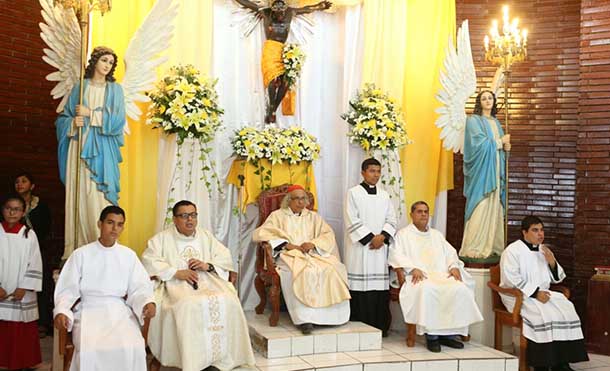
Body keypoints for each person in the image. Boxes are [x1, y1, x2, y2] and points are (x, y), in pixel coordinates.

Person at [142, 200, 255, 371]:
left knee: (229, 300)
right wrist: (176, 272)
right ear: (175, 219)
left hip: (208, 281)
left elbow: (224, 257)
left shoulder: (205, 236)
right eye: (184, 216)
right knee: (188, 305)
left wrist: (207, 265)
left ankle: (219, 359)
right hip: (175, 286)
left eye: (193, 215)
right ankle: (194, 362)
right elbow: (149, 261)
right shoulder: (161, 240)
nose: (190, 220)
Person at [53, 206, 156, 371]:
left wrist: (146, 302)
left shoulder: (128, 255)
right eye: (110, 222)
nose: (115, 228)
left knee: (132, 346)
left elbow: (140, 288)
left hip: (120, 311)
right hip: (89, 310)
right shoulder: (81, 254)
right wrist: (62, 310)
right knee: (90, 349)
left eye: (120, 224)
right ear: (100, 224)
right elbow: (67, 290)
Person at [56, 46, 126, 259]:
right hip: (79, 148)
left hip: (103, 152)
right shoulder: (81, 86)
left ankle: (104, 248)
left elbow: (117, 122)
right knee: (80, 198)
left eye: (110, 63)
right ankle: (77, 250)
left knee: (99, 198)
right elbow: (62, 119)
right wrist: (71, 124)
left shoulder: (115, 90)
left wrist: (90, 114)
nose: (107, 66)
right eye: (104, 60)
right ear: (94, 62)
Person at [253, 184, 351, 334]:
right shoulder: (277, 216)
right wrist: (286, 245)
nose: (301, 202)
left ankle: (333, 317)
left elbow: (327, 235)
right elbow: (262, 233)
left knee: (333, 268)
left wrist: (313, 243)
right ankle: (305, 319)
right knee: (302, 272)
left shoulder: (313, 217)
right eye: (297, 199)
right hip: (288, 255)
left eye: (303, 199)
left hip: (312, 254)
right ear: (288, 200)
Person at [389, 201, 483, 352]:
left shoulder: (436, 235)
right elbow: (395, 254)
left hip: (441, 275)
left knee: (460, 288)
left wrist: (453, 266)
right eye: (419, 211)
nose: (424, 214)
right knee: (428, 289)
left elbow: (450, 253)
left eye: (426, 211)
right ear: (411, 214)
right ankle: (432, 336)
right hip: (418, 278)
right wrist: (412, 268)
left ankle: (449, 335)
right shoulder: (403, 235)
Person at [500, 216, 589, 371]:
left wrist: (552, 262)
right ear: (524, 232)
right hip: (519, 296)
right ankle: (541, 364)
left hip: (542, 294)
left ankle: (561, 363)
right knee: (542, 315)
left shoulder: (543, 250)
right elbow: (511, 279)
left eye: (541, 230)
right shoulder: (512, 251)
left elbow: (557, 277)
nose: (540, 234)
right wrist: (535, 294)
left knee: (566, 311)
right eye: (535, 230)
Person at [233, 0, 332, 123]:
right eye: (277, 12)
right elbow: (247, 4)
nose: (280, 15)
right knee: (273, 80)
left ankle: (272, 110)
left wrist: (319, 6)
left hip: (282, 50)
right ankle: (271, 111)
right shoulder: (265, 12)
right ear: (272, 9)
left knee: (287, 81)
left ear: (285, 9)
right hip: (270, 50)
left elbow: (307, 9)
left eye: (282, 12)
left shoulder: (290, 12)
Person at [344, 158, 396, 336]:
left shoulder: (384, 195)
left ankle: (379, 327)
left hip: (379, 249)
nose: (376, 175)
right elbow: (351, 218)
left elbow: (392, 219)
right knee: (360, 288)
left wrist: (382, 237)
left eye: (378, 171)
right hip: (361, 249)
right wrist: (370, 238)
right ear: (363, 172)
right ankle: (359, 328)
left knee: (378, 289)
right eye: (372, 171)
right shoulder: (353, 193)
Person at [460, 90, 511, 259]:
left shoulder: (496, 122)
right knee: (480, 207)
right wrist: (499, 142)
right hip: (481, 174)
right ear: (479, 102)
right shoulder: (473, 121)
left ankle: (493, 246)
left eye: (490, 98)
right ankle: (473, 246)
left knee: (495, 206)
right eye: (484, 98)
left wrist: (506, 149)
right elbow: (476, 147)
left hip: (495, 172)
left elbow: (500, 151)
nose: (488, 101)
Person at [0, 194, 43, 370]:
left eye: (16, 209)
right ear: (3, 210)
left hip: (21, 292)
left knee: (19, 330)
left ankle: (21, 362)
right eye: (9, 208)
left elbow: (35, 261)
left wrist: (25, 287)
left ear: (23, 212)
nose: (12, 212)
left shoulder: (29, 234)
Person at [14, 171, 55, 336]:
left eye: (23, 181)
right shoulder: (12, 205)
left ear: (32, 186)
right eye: (17, 182)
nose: (19, 184)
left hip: (39, 248)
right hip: (16, 250)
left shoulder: (41, 206)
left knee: (41, 284)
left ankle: (42, 323)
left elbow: (45, 227)